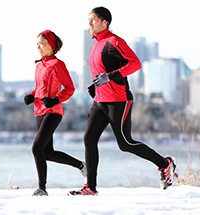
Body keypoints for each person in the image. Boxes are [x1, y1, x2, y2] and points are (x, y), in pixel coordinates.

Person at [69, 7, 176, 195]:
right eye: (89, 20)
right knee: (89, 138)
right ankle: (90, 187)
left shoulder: (114, 41)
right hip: (100, 101)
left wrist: (110, 78)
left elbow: (135, 63)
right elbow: (102, 70)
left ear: (105, 22)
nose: (90, 23)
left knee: (125, 143)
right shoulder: (96, 45)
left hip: (119, 100)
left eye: (93, 19)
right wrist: (96, 86)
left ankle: (164, 164)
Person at [24, 30, 86, 196]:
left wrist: (56, 99)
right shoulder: (39, 65)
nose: (39, 47)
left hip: (53, 111)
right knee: (47, 152)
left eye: (42, 43)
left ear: (52, 45)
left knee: (37, 148)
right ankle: (81, 166)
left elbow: (70, 88)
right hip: (39, 110)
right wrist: (31, 95)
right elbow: (39, 88)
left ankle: (42, 188)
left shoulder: (58, 65)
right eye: (37, 43)